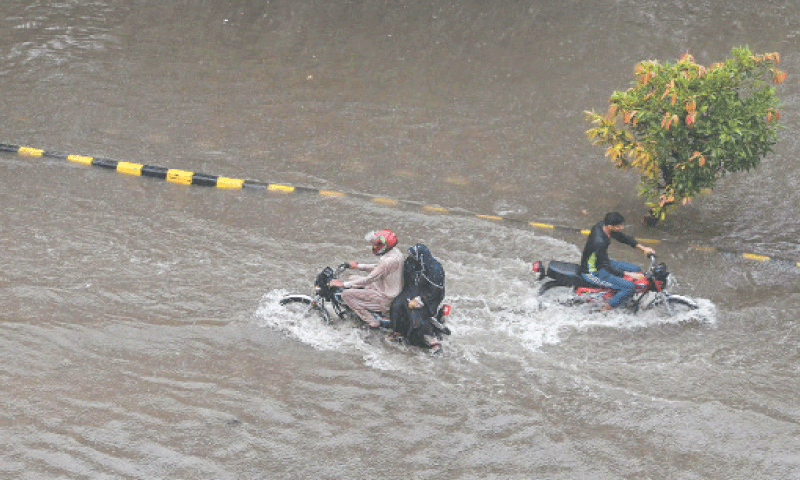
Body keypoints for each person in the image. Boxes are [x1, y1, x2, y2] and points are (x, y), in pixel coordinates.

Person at [580, 212, 656, 311]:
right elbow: (606, 267)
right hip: (593, 271)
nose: (622, 227)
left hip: (601, 262)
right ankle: (605, 309)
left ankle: (619, 295)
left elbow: (621, 237)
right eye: (619, 226)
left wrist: (643, 248)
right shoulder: (599, 242)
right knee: (630, 287)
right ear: (610, 226)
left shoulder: (602, 226)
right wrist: (628, 274)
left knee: (636, 269)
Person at [329, 229, 404, 327]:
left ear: (384, 245)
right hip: (387, 288)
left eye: (376, 245)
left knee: (345, 294)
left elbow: (369, 279)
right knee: (352, 278)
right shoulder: (395, 253)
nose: (373, 247)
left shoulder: (388, 261)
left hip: (385, 297)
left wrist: (343, 284)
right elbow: (378, 268)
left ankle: (371, 321)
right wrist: (358, 266)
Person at [388, 244, 445, 350]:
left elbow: (435, 291)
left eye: (414, 256)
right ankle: (398, 331)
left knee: (415, 313)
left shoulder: (435, 269)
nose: (411, 258)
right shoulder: (410, 263)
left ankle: (431, 340)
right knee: (396, 305)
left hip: (428, 297)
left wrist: (420, 300)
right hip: (411, 291)